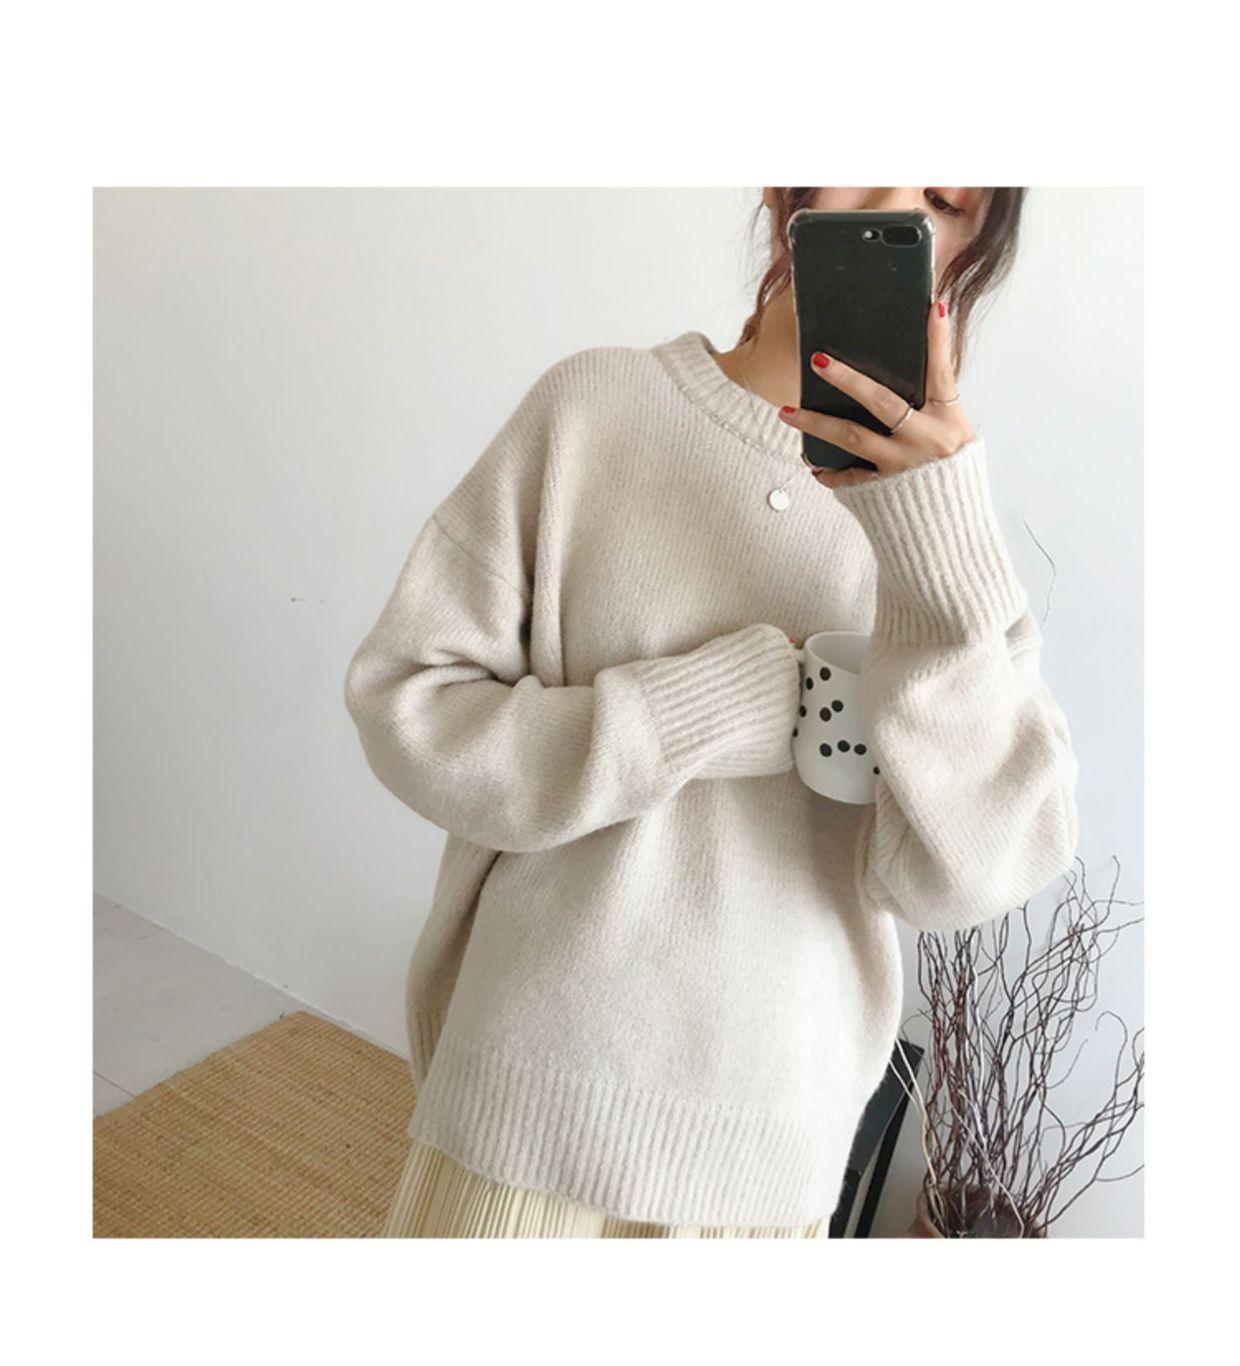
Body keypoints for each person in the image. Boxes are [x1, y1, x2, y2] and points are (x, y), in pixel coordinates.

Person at [344, 186, 1079, 1238]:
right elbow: (410, 705)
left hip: (766, 1148)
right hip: (529, 1091)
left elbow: (972, 875)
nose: (893, 207)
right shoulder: (594, 409)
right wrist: (684, 713)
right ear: (788, 189)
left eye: (944, 199)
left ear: (968, 253)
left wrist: (936, 549)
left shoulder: (949, 544)